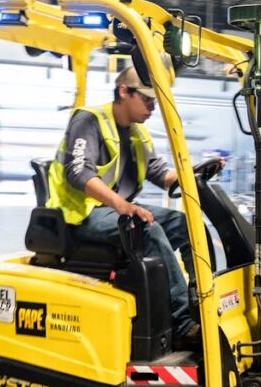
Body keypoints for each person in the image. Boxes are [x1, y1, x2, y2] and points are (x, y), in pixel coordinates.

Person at [46, 66, 204, 342]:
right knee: (148, 229)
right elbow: (78, 172)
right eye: (147, 100)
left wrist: (193, 175)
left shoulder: (137, 132)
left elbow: (159, 174)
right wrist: (122, 205)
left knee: (186, 224)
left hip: (113, 212)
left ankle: (201, 301)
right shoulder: (89, 120)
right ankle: (181, 322)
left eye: (155, 102)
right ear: (124, 92)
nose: (152, 107)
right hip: (82, 216)